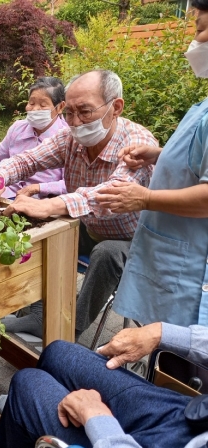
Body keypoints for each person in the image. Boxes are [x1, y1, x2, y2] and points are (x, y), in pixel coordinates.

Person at [0, 70, 157, 339]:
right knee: (42, 231)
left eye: (85, 111)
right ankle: (37, 314)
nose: (76, 122)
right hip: (89, 228)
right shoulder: (70, 137)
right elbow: (28, 160)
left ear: (115, 107)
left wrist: (49, 205)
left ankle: (69, 333)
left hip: (135, 241)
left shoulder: (137, 142)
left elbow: (112, 195)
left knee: (106, 253)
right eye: (69, 113)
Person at [92, 1, 208, 328]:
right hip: (165, 254)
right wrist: (159, 155)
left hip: (187, 268)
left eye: (200, 29)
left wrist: (143, 198)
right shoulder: (203, 107)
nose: (195, 41)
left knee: (176, 365)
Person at [0, 321, 208, 448]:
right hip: (192, 418)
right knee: (58, 353)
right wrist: (160, 332)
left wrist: (98, 419)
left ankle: (21, 418)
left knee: (27, 385)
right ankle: (18, 426)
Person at [0, 77, 68, 200]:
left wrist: (38, 188)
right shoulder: (18, 129)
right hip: (5, 196)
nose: (35, 109)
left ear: (60, 107)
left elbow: (70, 184)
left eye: (43, 105)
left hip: (41, 203)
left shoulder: (66, 138)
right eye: (31, 103)